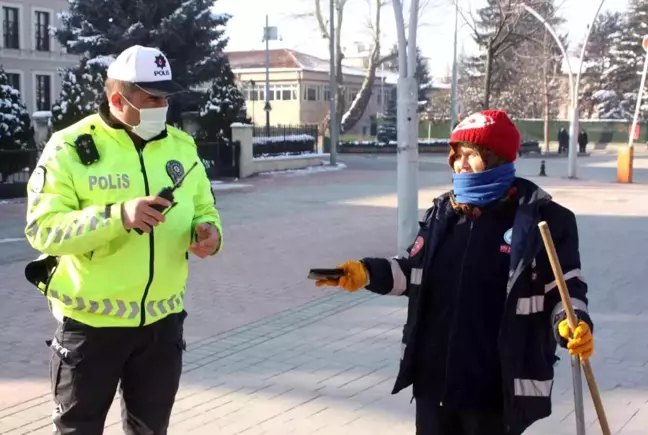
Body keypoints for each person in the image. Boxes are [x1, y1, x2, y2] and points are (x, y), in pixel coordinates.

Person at [316, 110, 595, 435]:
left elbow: (566, 287)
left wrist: (572, 323)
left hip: (493, 390)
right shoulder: (443, 213)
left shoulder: (543, 219)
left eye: (472, 155)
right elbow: (411, 271)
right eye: (457, 155)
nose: (461, 164)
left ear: (497, 158)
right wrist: (365, 273)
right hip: (434, 383)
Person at [23, 45, 223, 434]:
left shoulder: (182, 147)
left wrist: (210, 234)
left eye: (166, 97)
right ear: (117, 98)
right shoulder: (69, 148)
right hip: (91, 328)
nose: (162, 105)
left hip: (162, 326)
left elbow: (205, 209)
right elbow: (43, 228)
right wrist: (118, 216)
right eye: (152, 97)